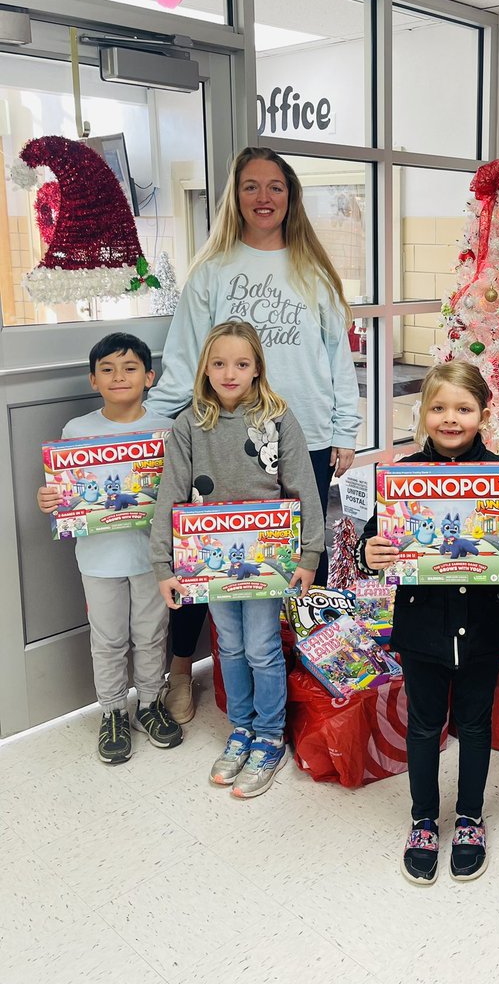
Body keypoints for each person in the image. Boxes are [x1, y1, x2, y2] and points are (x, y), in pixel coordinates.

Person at [150, 147, 359, 721]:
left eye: (275, 187)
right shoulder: (211, 270)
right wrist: (156, 424)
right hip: (219, 435)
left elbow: (339, 357)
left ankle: (288, 675)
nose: (263, 197)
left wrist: (345, 430)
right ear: (234, 197)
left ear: (290, 197)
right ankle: (179, 671)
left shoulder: (312, 269)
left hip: (306, 433)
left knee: (293, 564)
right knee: (207, 559)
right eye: (250, 187)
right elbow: (184, 355)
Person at [354, 362, 499, 885]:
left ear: (484, 413)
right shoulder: (401, 479)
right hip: (423, 629)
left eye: (463, 409)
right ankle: (422, 820)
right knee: (423, 726)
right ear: (423, 415)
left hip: (482, 628)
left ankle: (470, 817)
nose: (450, 419)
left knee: (477, 725)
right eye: (438, 408)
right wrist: (371, 551)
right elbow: (375, 544)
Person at [151, 320, 324, 799]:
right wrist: (162, 565)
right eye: (220, 363)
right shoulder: (189, 423)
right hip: (210, 563)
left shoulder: (279, 418)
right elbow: (170, 494)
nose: (230, 373)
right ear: (205, 367)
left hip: (269, 562)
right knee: (228, 646)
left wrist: (309, 554)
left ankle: (270, 737)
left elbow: (303, 489)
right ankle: (242, 729)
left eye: (241, 364)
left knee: (262, 648)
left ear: (257, 368)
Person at [36, 333, 182, 765]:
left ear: (149, 377)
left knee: (152, 634)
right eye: (107, 369)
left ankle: (152, 704)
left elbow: (180, 491)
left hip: (153, 561)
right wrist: (50, 501)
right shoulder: (76, 431)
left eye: (130, 367)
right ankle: (114, 712)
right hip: (98, 560)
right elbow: (68, 495)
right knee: (108, 639)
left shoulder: (166, 429)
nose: (119, 376)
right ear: (93, 380)